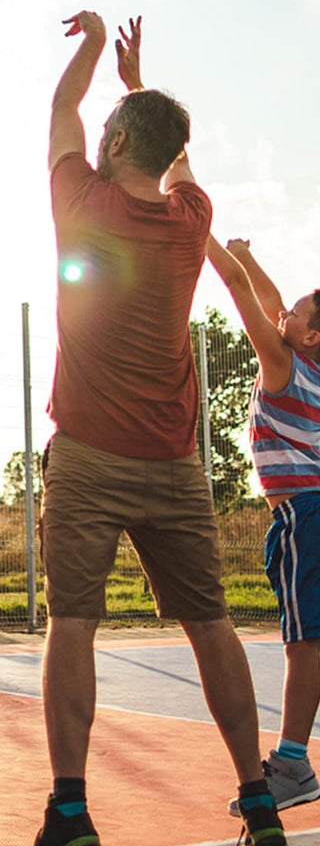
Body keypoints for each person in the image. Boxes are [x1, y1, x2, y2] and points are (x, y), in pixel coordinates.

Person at [37, 9, 286, 846]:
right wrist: (141, 88)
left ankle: (70, 812)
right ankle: (258, 799)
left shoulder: (81, 199)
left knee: (74, 622)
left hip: (87, 458)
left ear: (111, 145)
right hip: (175, 464)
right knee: (210, 623)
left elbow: (60, 112)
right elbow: (178, 163)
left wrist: (98, 44)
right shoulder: (192, 220)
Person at [206, 235, 320, 818]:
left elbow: (245, 297)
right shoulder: (311, 366)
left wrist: (194, 227)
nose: (283, 314)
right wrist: (250, 258)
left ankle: (295, 762)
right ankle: (296, 757)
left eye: (294, 314)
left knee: (307, 642)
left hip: (306, 514)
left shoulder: (284, 366)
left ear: (309, 337)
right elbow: (271, 297)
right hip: (309, 512)